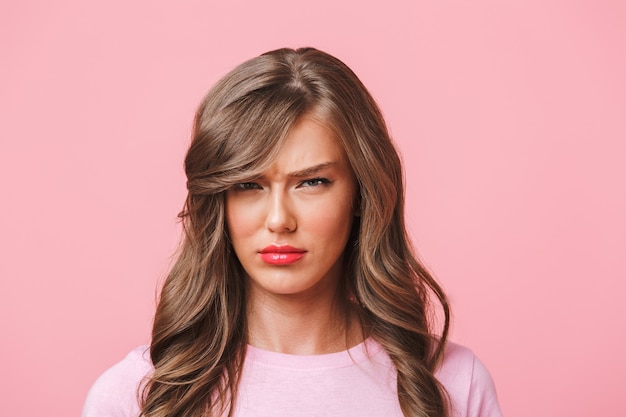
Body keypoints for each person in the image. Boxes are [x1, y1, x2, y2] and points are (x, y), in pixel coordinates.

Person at [82, 47, 502, 417]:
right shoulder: (137, 396)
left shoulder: (453, 384)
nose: (279, 219)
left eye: (311, 182)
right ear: (219, 202)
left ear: (361, 193)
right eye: (248, 185)